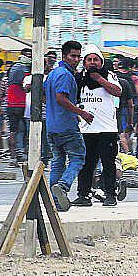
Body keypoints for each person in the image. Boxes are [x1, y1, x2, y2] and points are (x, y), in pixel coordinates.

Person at [74, 47, 123, 207]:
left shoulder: (109, 76)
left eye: (96, 59)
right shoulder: (79, 78)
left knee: (108, 164)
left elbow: (117, 92)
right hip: (86, 129)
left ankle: (110, 194)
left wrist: (99, 79)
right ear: (85, 62)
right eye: (89, 59)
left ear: (101, 62)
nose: (93, 62)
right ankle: (83, 195)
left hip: (106, 129)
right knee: (86, 164)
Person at [45, 40, 89, 212]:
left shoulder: (53, 74)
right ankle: (63, 186)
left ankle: (55, 201)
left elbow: (45, 96)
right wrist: (81, 113)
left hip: (51, 125)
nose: (76, 60)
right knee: (78, 157)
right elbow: (60, 98)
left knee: (58, 161)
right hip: (66, 125)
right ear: (64, 56)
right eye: (73, 56)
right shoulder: (65, 75)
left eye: (78, 56)